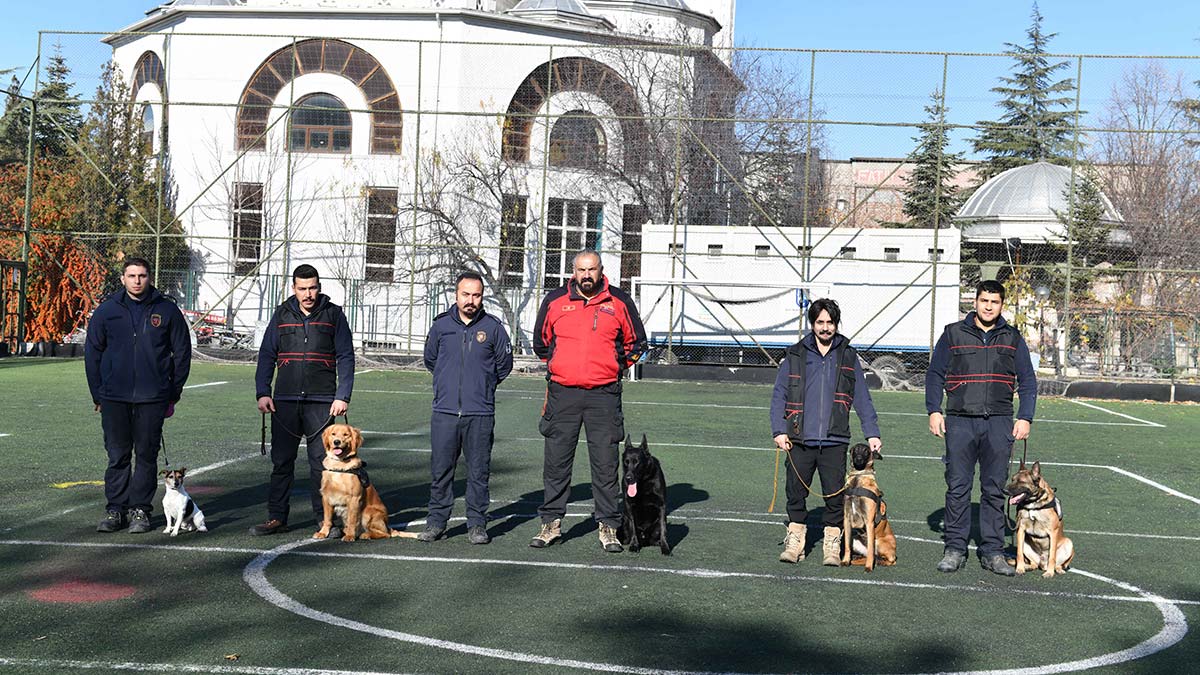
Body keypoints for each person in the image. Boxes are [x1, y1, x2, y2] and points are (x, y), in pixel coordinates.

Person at [530, 250, 647, 552]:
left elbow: (637, 343)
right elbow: (541, 344)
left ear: (601, 271)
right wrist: (563, 364)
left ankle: (608, 526)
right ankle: (551, 524)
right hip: (563, 395)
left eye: (591, 269)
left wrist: (613, 366)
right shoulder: (555, 301)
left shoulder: (619, 301)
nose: (586, 275)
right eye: (581, 270)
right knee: (556, 463)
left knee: (606, 465)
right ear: (573, 271)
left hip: (603, 397)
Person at [926, 279, 1037, 576]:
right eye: (984, 300)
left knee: (994, 490)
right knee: (958, 487)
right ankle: (955, 548)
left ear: (1002, 305)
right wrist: (934, 411)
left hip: (999, 422)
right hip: (960, 421)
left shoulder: (1012, 337)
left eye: (995, 302)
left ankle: (992, 551)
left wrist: (1025, 416)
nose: (989, 306)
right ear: (975, 302)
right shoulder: (953, 334)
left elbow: (1027, 380)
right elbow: (935, 374)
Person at [769, 298, 882, 565]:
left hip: (835, 439)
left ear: (836, 324)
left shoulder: (848, 355)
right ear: (812, 324)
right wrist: (778, 429)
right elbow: (779, 395)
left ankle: (832, 543)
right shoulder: (795, 354)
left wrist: (872, 432)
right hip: (798, 437)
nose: (825, 327)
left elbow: (862, 397)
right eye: (820, 322)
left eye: (830, 322)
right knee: (795, 492)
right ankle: (795, 540)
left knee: (834, 494)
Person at [86, 257, 192, 533]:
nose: (136, 280)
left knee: (146, 455)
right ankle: (115, 510)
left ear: (149, 278)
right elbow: (92, 352)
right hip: (114, 397)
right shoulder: (106, 311)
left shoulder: (166, 310)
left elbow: (182, 352)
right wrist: (98, 392)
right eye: (131, 275)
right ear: (122, 279)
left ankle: (140, 511)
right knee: (117, 455)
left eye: (142, 275)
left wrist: (173, 391)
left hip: (152, 397)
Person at [250, 264, 355, 536]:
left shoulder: (334, 315)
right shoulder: (281, 314)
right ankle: (277, 518)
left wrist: (342, 395)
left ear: (319, 287)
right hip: (284, 401)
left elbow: (345, 356)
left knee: (321, 464)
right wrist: (263, 392)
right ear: (293, 288)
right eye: (302, 288)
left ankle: (324, 521)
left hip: (322, 403)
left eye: (312, 288)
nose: (308, 294)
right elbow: (266, 355)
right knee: (281, 462)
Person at [418, 272, 513, 544]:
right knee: (441, 471)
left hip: (480, 413)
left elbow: (503, 367)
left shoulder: (494, 328)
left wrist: (481, 387)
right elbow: (431, 360)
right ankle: (436, 522)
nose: (471, 300)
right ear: (456, 295)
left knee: (478, 472)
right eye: (466, 294)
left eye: (476, 295)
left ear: (482, 297)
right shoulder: (440, 326)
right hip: (445, 412)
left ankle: (477, 524)